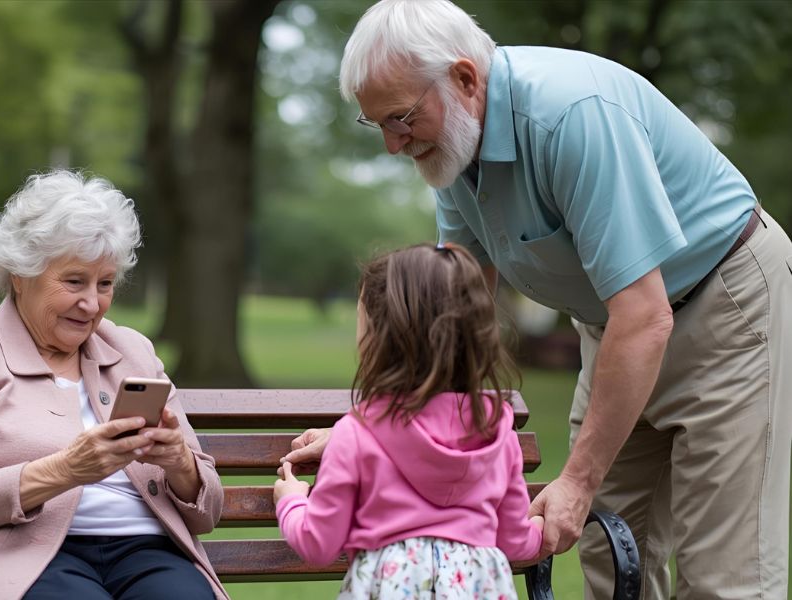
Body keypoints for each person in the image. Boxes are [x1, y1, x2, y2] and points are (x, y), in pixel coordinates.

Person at [281, 1, 792, 598]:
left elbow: (644, 311)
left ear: (466, 79)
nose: (394, 145)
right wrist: (366, 429)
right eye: (380, 125)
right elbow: (446, 330)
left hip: (723, 306)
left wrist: (577, 480)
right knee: (612, 553)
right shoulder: (451, 152)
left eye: (401, 118)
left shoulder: (571, 117)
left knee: (721, 576)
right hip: (618, 328)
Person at [0, 170, 228, 600]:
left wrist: (179, 462)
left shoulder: (132, 350)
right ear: (21, 274)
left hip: (146, 551)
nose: (92, 303)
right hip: (19, 554)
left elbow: (208, 511)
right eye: (74, 281)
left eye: (105, 283)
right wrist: (65, 470)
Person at [274, 242, 543, 599]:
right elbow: (515, 542)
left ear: (380, 338)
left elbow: (319, 544)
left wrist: (291, 500)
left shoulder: (357, 434)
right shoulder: (497, 434)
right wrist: (543, 526)